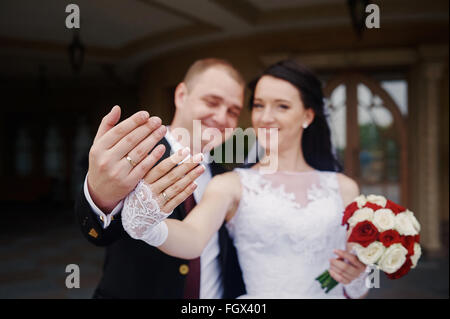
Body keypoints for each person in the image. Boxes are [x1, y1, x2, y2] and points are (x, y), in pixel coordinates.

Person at [121, 60, 370, 298]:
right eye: (259, 105)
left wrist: (358, 277)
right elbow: (193, 238)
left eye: (281, 106)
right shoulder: (231, 184)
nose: (265, 117)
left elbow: (355, 280)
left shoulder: (344, 188)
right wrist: (149, 226)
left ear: (307, 116)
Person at [75, 58, 246, 298]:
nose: (221, 117)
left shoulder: (226, 175)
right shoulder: (134, 153)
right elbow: (99, 233)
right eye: (212, 102)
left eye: (233, 111)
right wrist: (101, 197)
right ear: (181, 95)